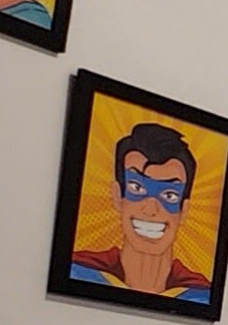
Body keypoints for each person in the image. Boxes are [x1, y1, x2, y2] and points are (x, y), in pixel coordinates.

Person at [68, 118, 214, 305]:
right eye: (137, 188)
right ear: (117, 195)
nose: (150, 209)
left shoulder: (201, 294)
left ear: (184, 210)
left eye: (169, 195)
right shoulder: (78, 271)